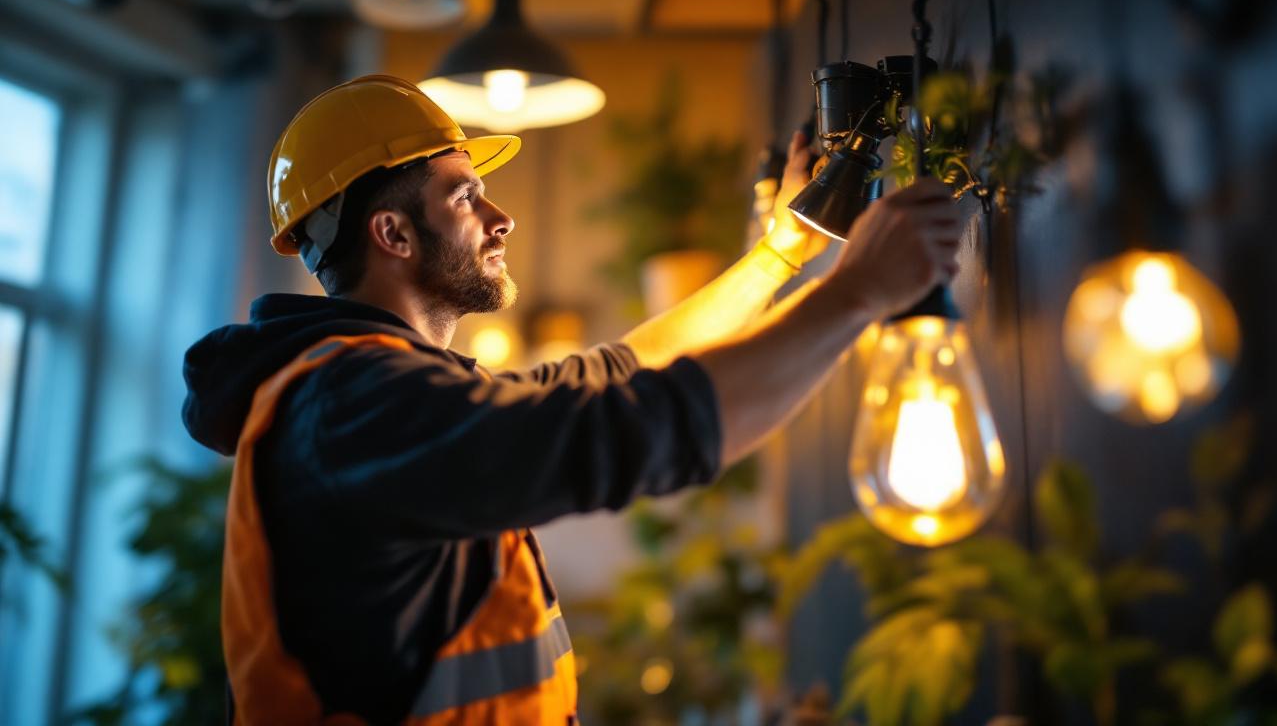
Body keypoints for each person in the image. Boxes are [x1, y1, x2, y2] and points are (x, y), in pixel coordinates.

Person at [181, 74, 963, 725]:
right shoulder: (357, 406)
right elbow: (638, 426)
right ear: (392, 233)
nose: (501, 216)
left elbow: (615, 373)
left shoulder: (383, 388)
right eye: (465, 197)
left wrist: (783, 254)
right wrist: (860, 292)